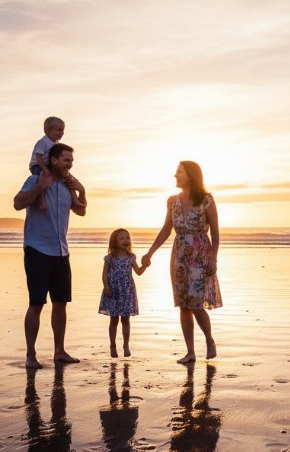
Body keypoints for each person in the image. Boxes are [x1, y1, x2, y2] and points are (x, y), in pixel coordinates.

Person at [13, 142, 87, 369]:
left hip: (61, 251)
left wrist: (82, 190)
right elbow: (17, 203)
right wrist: (40, 187)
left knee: (60, 304)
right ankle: (30, 355)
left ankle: (59, 351)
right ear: (53, 160)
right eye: (66, 160)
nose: (69, 165)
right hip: (37, 250)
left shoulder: (67, 184)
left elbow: (81, 210)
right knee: (36, 303)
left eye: (71, 161)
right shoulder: (36, 179)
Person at [142, 161, 222, 364]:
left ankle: (209, 340)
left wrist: (213, 258)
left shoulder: (206, 200)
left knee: (196, 304)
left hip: (200, 255)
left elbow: (215, 231)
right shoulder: (172, 201)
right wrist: (150, 252)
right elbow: (166, 229)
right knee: (183, 305)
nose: (175, 175)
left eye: (179, 172)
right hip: (179, 255)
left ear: (191, 175)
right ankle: (190, 352)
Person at [99, 228, 148, 358]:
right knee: (114, 320)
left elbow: (138, 272)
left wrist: (145, 265)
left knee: (126, 320)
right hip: (113, 291)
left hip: (127, 291)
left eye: (127, 238)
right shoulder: (110, 258)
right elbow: (104, 275)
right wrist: (107, 287)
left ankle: (126, 345)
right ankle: (112, 345)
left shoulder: (131, 257)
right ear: (114, 242)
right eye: (121, 238)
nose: (126, 240)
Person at [27, 116, 83, 210]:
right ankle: (41, 199)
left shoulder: (56, 143)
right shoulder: (43, 142)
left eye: (62, 131)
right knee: (43, 176)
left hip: (48, 165)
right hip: (37, 165)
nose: (61, 133)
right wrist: (45, 169)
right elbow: (38, 158)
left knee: (68, 177)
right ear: (48, 130)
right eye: (59, 130)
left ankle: (74, 198)